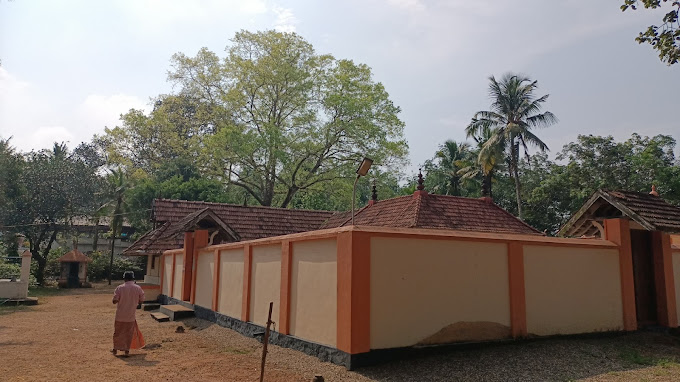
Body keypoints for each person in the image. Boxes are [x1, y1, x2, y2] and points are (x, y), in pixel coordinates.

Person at [111, 271, 145, 356]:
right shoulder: (138, 288)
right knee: (128, 333)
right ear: (133, 278)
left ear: (124, 278)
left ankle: (115, 349)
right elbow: (142, 299)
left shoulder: (119, 288)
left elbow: (115, 301)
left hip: (120, 315)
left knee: (118, 332)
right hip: (130, 316)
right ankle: (126, 351)